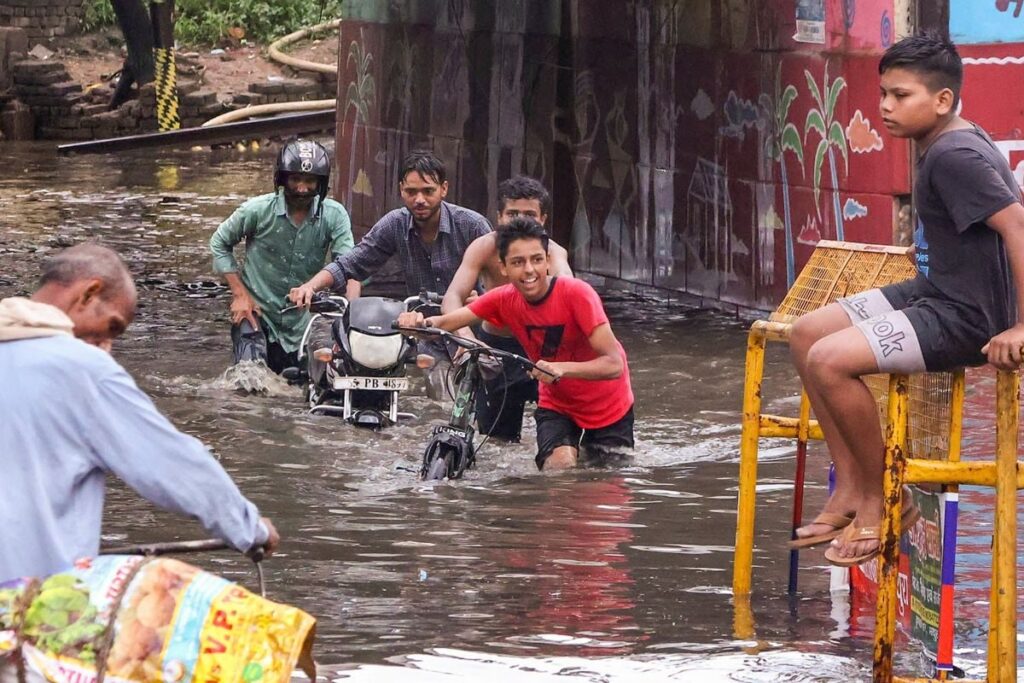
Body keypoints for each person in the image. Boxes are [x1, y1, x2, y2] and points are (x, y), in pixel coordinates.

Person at [789, 34, 1024, 567]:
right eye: (883, 94)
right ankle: (850, 487)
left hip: (965, 316)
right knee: (806, 334)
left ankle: (881, 501)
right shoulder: (946, 140)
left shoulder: (954, 156)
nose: (886, 108)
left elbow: (1018, 224)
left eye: (901, 96)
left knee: (830, 361)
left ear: (942, 101)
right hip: (934, 290)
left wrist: (1019, 326)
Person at [0, 243, 279, 581]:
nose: (107, 345)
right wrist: (248, 527)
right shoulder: (85, 370)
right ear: (88, 294)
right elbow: (171, 463)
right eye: (113, 327)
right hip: (26, 609)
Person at [397, 218, 634, 470]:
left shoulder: (578, 294)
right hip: (558, 402)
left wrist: (562, 369)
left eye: (537, 260)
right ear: (503, 267)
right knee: (558, 469)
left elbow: (614, 365)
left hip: (608, 403)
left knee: (608, 485)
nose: (529, 270)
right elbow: (444, 322)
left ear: (548, 262)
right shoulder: (503, 299)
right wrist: (416, 323)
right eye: (518, 262)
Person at [442, 176, 573, 442]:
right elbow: (452, 297)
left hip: (543, 350)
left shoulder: (554, 253)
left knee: (561, 435)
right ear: (499, 217)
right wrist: (468, 339)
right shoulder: (484, 248)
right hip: (496, 348)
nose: (519, 222)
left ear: (543, 220)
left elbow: (570, 292)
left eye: (529, 215)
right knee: (496, 441)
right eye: (512, 214)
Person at [210, 138, 357, 374]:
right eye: (295, 179)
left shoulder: (334, 216)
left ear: (321, 184)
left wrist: (352, 314)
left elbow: (350, 265)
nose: (302, 188)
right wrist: (240, 295)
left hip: (305, 320)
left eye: (309, 181)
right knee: (249, 378)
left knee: (322, 381)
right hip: (258, 312)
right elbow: (219, 242)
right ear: (281, 179)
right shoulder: (256, 210)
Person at [287, 150, 492, 306]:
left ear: (444, 189)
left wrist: (483, 300)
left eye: (428, 191)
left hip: (471, 332)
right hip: (421, 331)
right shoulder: (395, 224)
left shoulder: (472, 225)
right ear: (401, 190)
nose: (419, 200)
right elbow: (350, 263)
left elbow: (507, 281)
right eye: (411, 192)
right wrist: (309, 286)